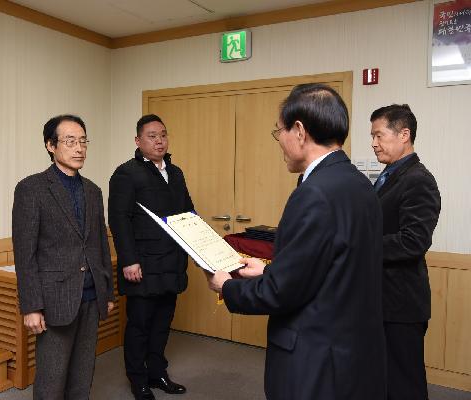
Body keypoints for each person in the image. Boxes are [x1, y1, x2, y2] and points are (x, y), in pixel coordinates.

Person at [207, 84, 386, 400]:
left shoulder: (313, 194)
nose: (281, 144)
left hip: (315, 361)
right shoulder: (359, 184)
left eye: (280, 133)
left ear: (300, 131)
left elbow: (282, 293)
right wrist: (266, 271)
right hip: (352, 354)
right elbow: (330, 269)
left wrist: (227, 286)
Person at [12, 114, 115, 400]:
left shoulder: (93, 190)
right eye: (70, 141)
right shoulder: (31, 189)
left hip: (92, 297)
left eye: (83, 141)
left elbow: (100, 246)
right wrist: (30, 306)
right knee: (51, 381)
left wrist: (107, 291)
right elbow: (25, 253)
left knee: (82, 378)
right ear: (50, 145)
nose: (79, 148)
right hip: (54, 299)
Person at [108, 114, 194, 400]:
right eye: (151, 136)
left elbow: (189, 214)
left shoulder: (176, 172)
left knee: (162, 323)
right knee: (140, 325)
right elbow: (119, 220)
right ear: (138, 140)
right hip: (142, 263)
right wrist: (129, 260)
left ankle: (158, 372)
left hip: (172, 261)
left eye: (163, 135)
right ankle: (138, 379)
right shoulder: (126, 173)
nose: (159, 141)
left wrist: (201, 248)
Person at [370, 104, 441, 400]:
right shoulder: (388, 175)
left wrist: (361, 246)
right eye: (371, 136)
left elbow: (413, 241)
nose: (373, 143)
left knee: (404, 386)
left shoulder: (419, 179)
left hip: (400, 305)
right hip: (382, 301)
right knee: (384, 382)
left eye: (379, 135)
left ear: (404, 135)